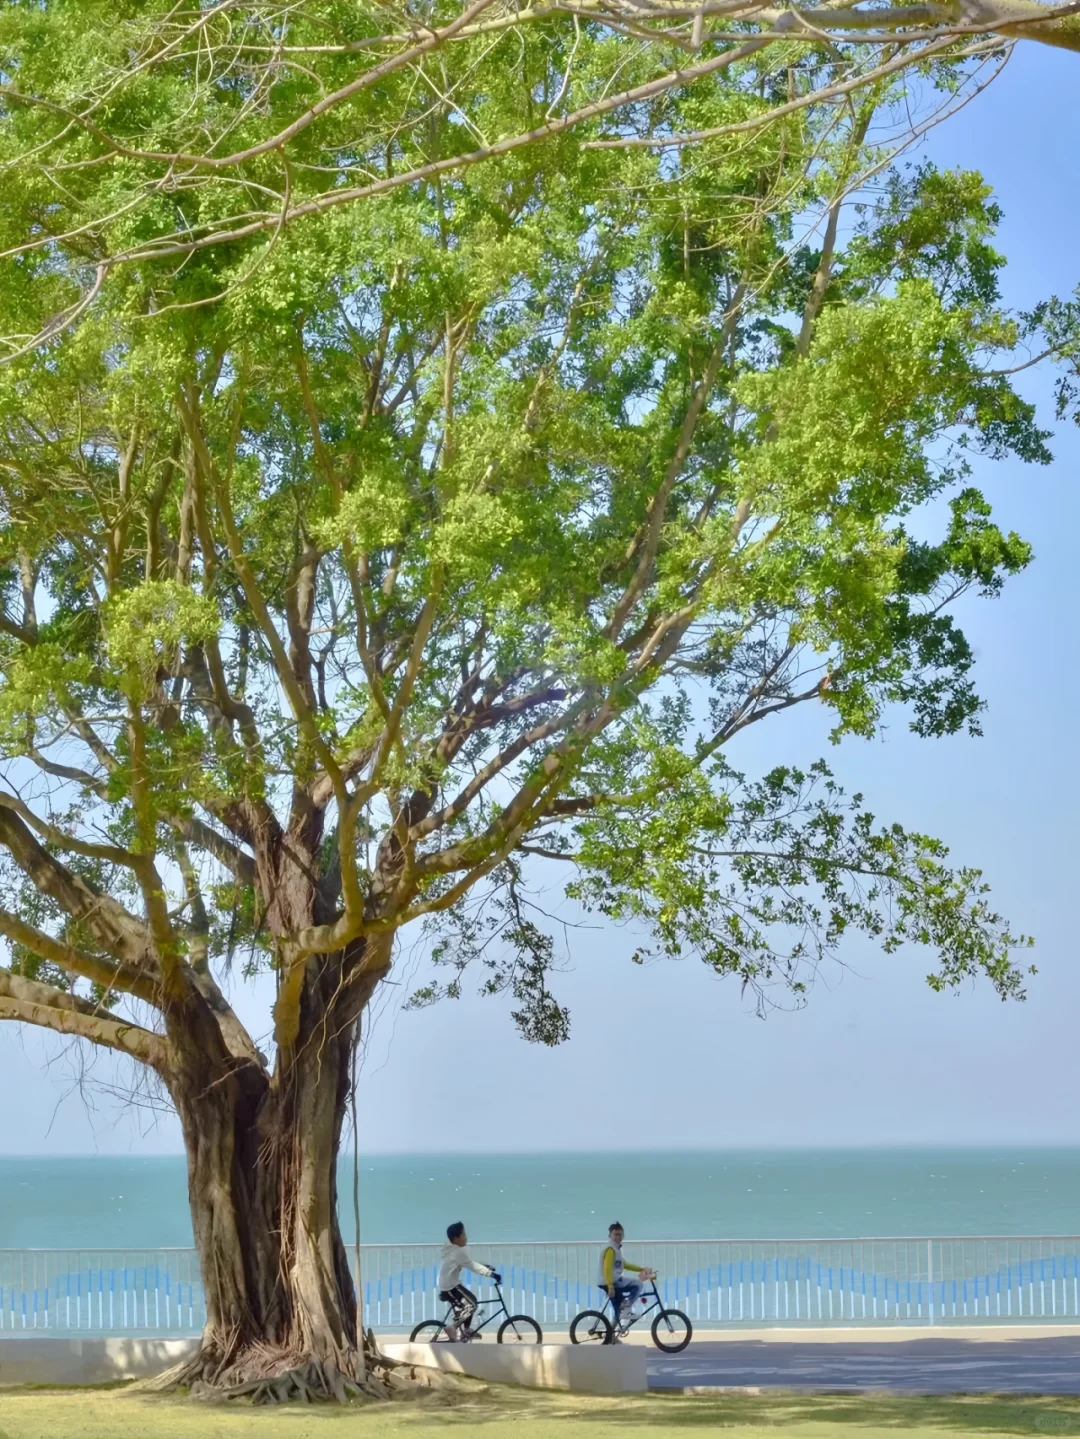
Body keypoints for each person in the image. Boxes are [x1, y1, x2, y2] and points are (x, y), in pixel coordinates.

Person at [438, 1221, 501, 1341]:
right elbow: (472, 1266)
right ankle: (452, 1327)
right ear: (456, 1238)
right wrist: (491, 1274)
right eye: (463, 1235)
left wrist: (486, 1267)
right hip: (449, 1287)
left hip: (450, 1284)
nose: (466, 1237)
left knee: (471, 1303)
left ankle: (465, 1331)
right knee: (471, 1305)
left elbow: (468, 1263)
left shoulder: (453, 1249)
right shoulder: (458, 1252)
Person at [598, 1222, 654, 1338]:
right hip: (611, 1281)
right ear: (610, 1235)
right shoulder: (611, 1250)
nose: (618, 1237)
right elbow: (607, 1268)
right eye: (616, 1234)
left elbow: (625, 1265)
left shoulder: (615, 1249)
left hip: (611, 1280)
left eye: (620, 1234)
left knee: (619, 1310)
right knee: (638, 1285)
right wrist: (610, 1286)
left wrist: (641, 1268)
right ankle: (626, 1308)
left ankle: (610, 1337)